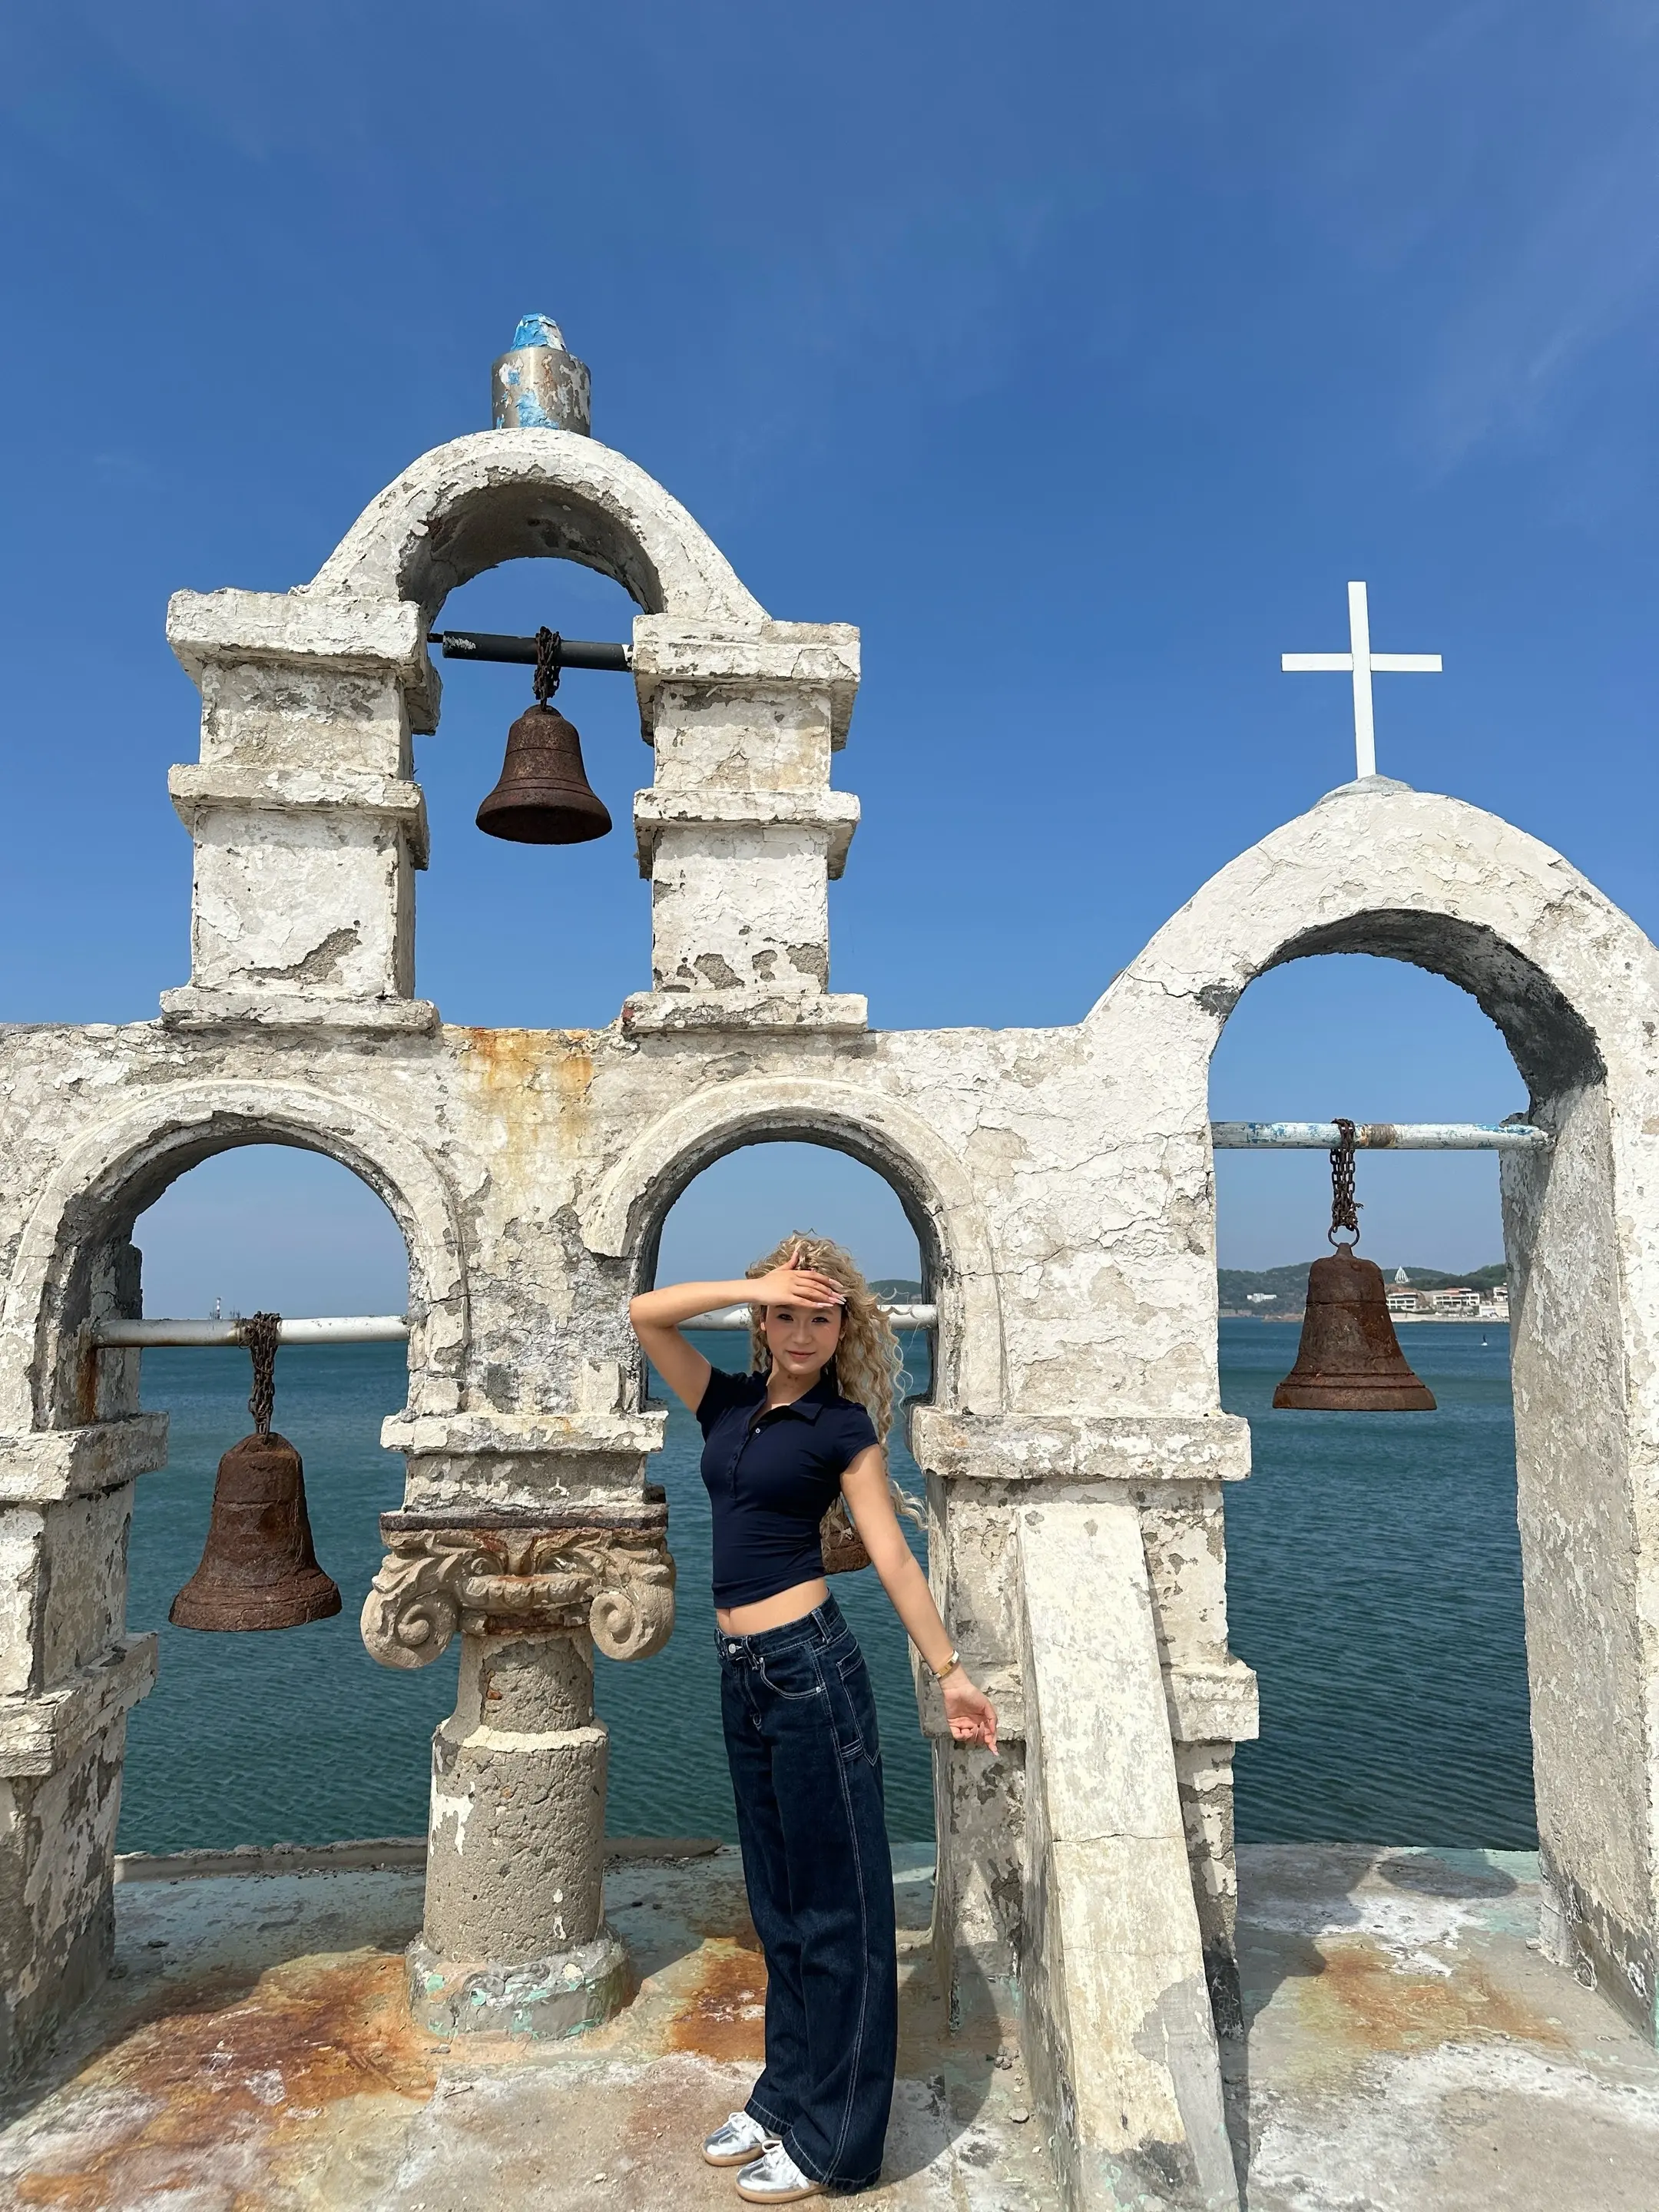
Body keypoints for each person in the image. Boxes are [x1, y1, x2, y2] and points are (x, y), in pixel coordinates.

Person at [630, 1234, 998, 2204]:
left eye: (820, 1317)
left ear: (844, 1329)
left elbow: (894, 1556)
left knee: (840, 1912)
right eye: (785, 1314)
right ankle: (787, 2095)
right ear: (761, 1320)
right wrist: (754, 1282)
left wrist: (951, 1674)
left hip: (809, 1672)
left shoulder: (843, 1427)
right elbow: (645, 1316)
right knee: (779, 1905)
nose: (800, 1332)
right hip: (742, 1673)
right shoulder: (726, 1402)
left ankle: (839, 2143)